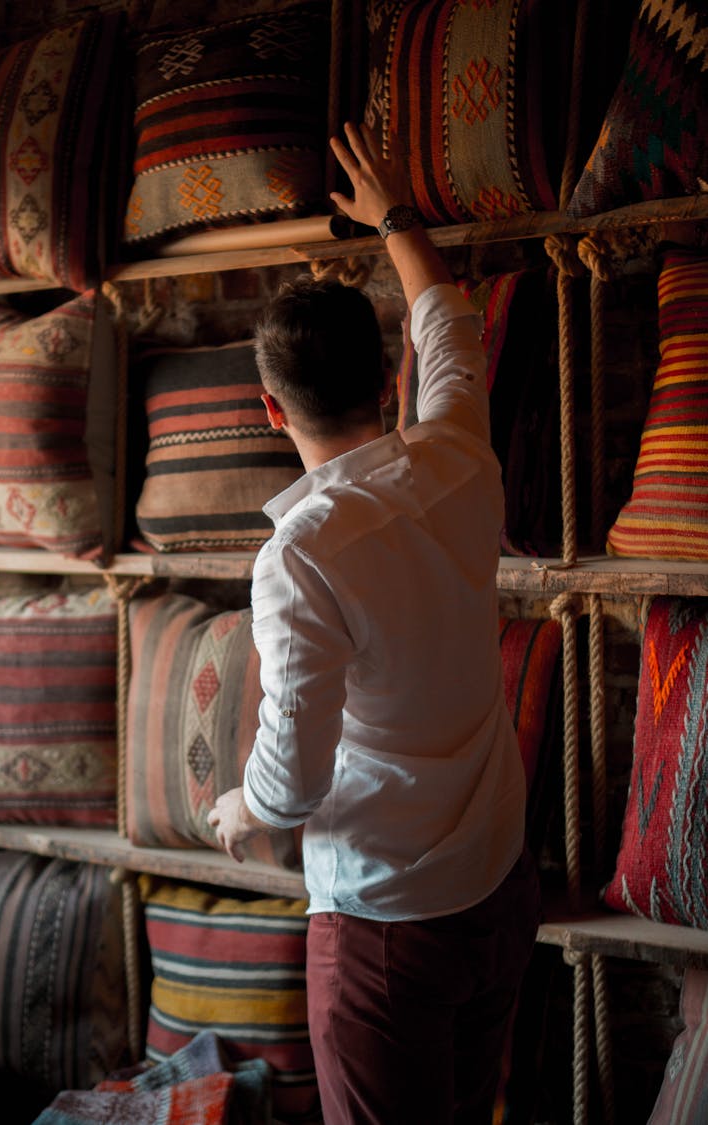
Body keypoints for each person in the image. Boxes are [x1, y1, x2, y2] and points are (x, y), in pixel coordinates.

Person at [207, 122, 541, 1125]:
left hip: (387, 925)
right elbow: (447, 318)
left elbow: (296, 777)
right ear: (385, 376)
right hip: (496, 882)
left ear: (271, 410)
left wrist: (242, 812)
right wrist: (392, 210)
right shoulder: (458, 457)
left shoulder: (299, 555)